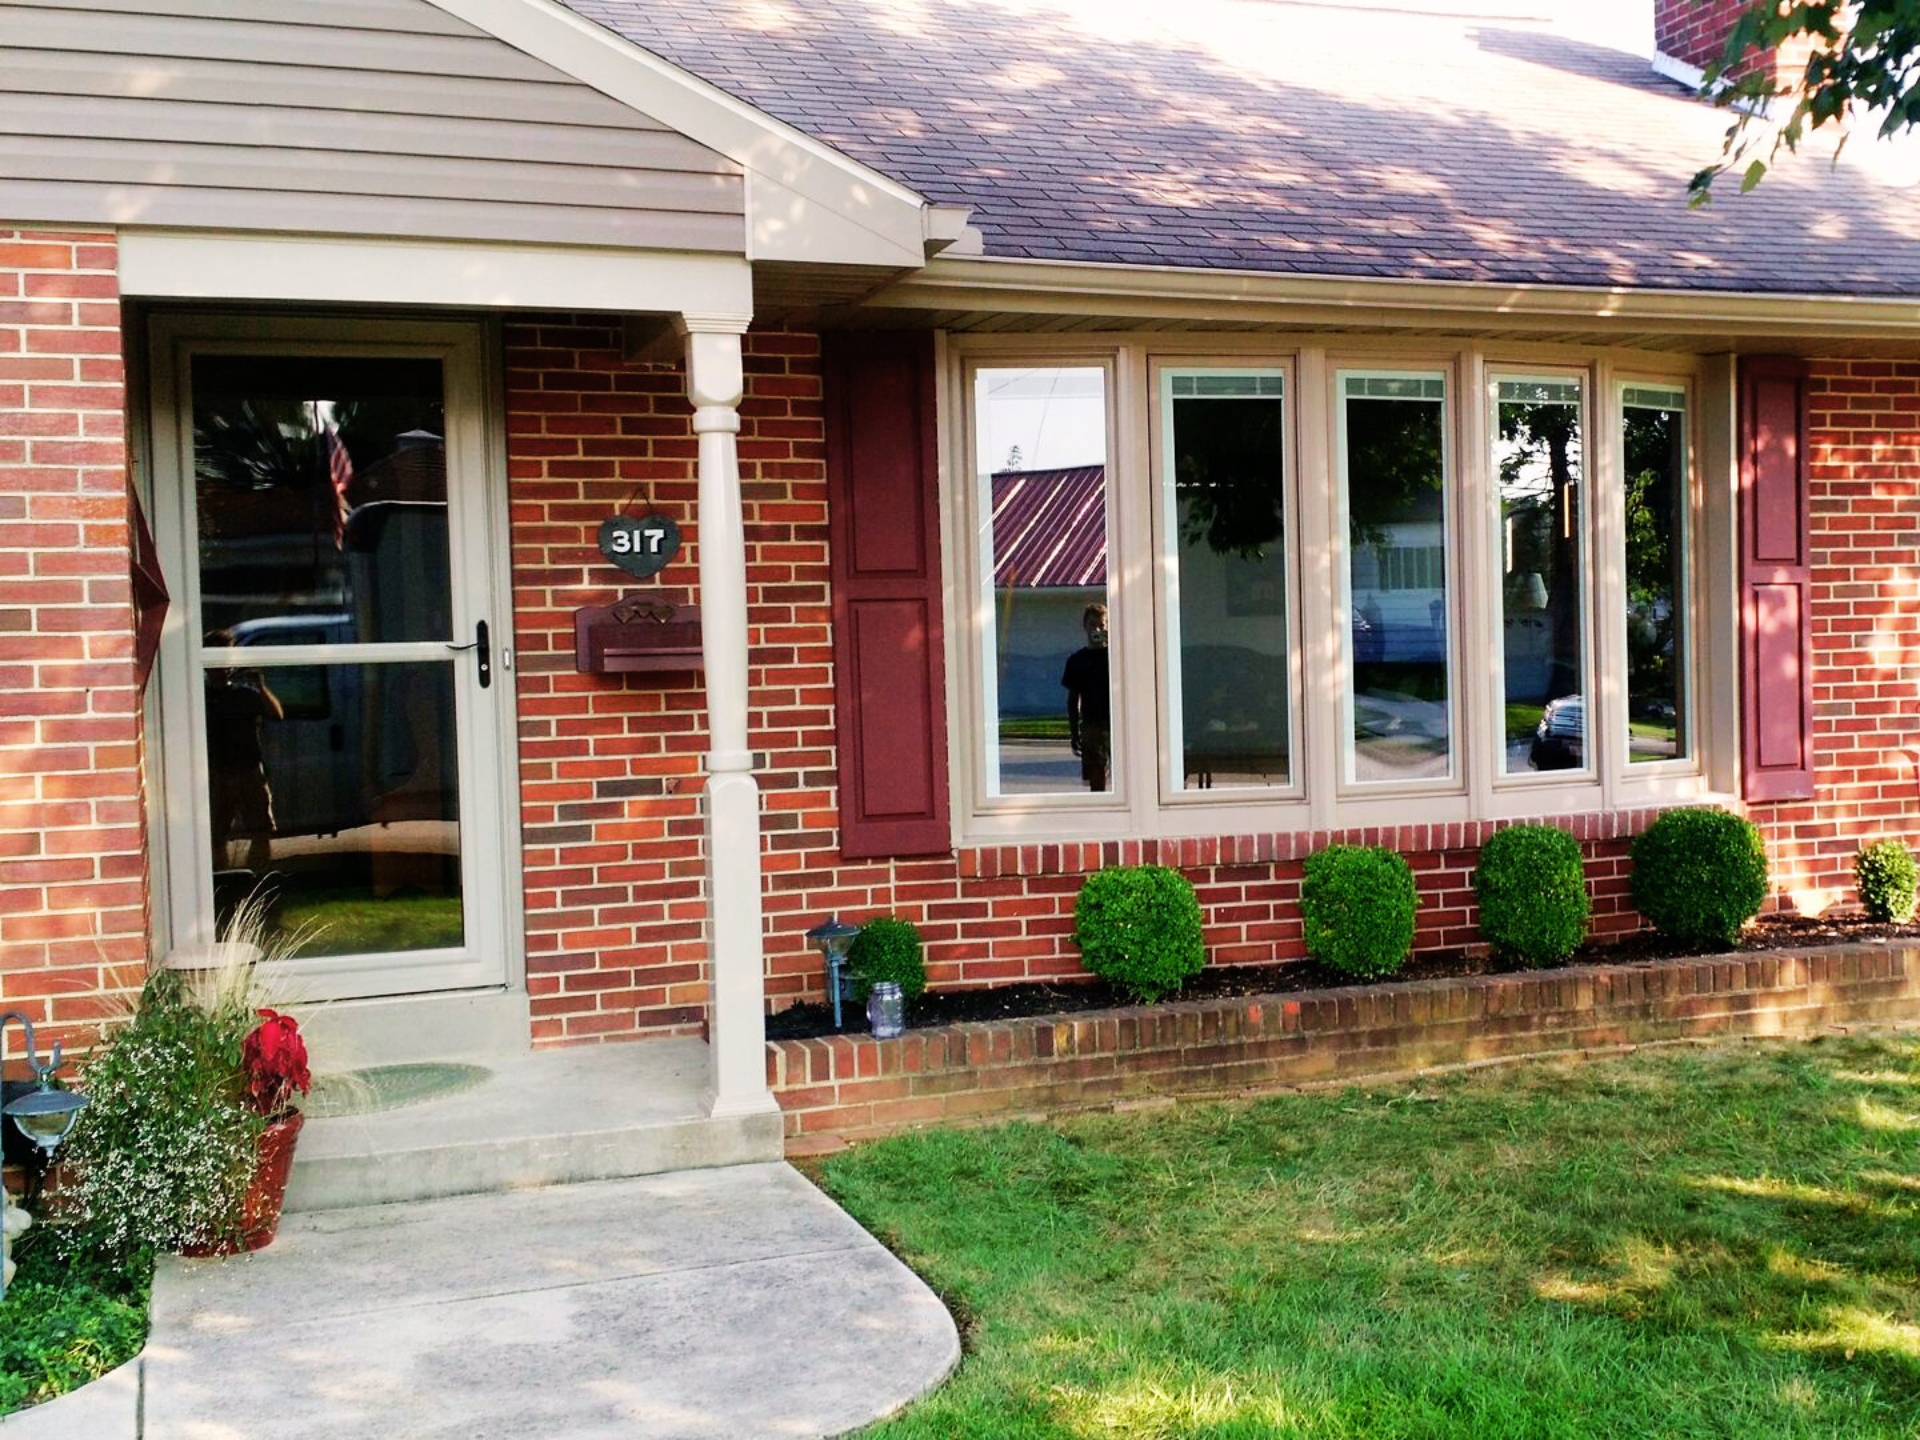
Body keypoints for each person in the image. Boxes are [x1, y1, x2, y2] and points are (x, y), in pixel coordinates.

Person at [204, 630, 284, 873]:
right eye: (216, 658)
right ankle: (220, 880)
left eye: (226, 657)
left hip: (249, 770)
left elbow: (276, 715)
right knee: (216, 833)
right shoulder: (201, 697)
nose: (223, 665)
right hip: (217, 772)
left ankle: (258, 880)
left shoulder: (244, 694)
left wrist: (260, 686)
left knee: (260, 830)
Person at [1061, 602, 1111, 791]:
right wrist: (1074, 732)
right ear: (1085, 627)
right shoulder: (1077, 661)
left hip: (1118, 723)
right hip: (1092, 725)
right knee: (1096, 778)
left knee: (1128, 776)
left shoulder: (1118, 656)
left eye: (1102, 625)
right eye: (1093, 625)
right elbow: (1073, 699)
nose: (1097, 629)